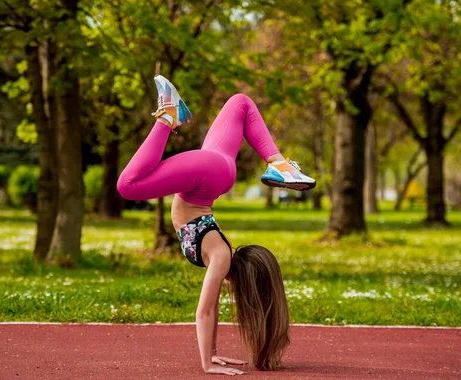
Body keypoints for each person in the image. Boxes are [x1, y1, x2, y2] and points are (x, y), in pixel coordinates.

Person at [117, 75, 316, 375]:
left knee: (241, 103)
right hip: (205, 179)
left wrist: (213, 351)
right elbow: (205, 311)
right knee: (127, 186)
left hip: (215, 174)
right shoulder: (220, 257)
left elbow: (211, 312)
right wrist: (207, 363)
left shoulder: (220, 255)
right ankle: (169, 117)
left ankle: (277, 163)